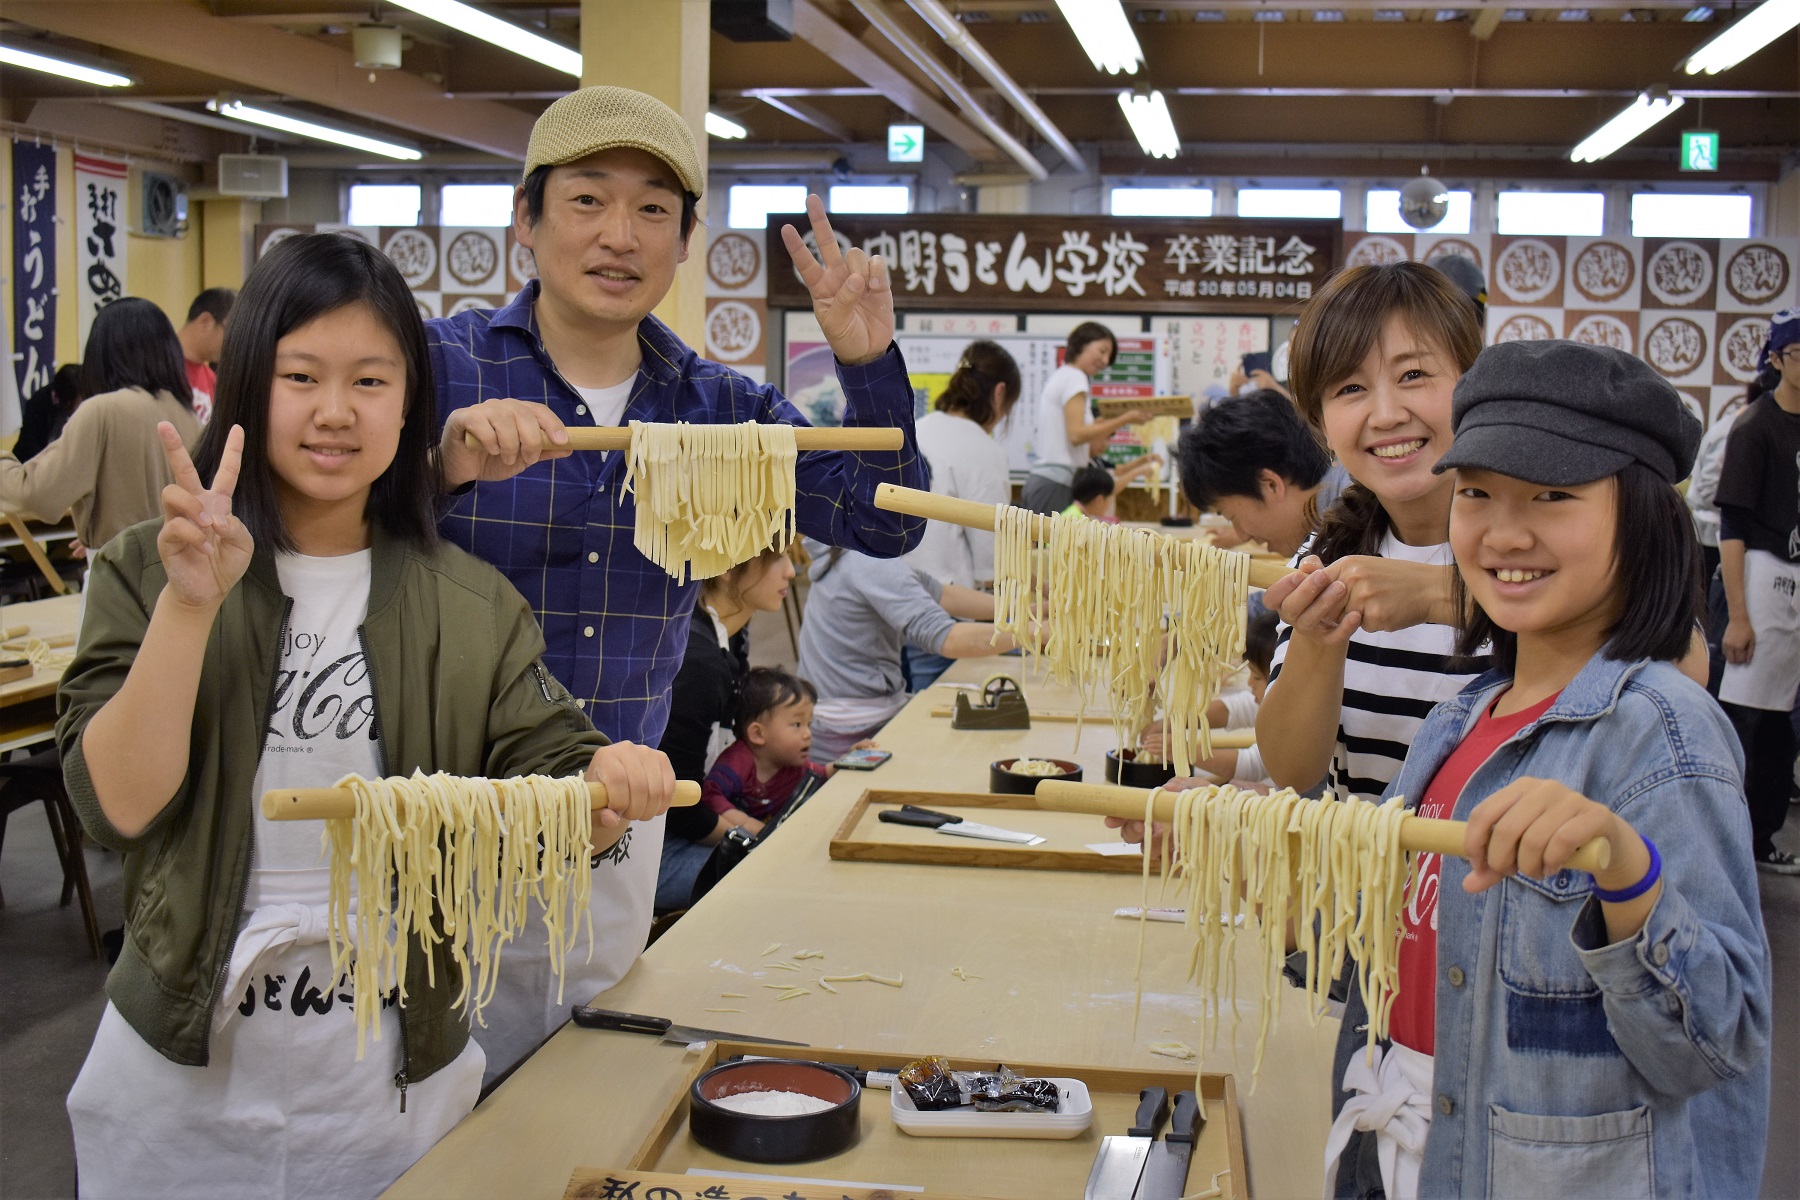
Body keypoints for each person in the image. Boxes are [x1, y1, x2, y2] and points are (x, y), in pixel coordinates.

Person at [54, 233, 676, 1199]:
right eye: (302, 375)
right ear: (251, 385)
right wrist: (189, 605)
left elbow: (557, 770)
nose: (335, 412)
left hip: (389, 1081)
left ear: (410, 407)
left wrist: (601, 794)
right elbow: (118, 808)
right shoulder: (146, 567)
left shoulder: (465, 601)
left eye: (372, 382)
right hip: (180, 1082)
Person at [425, 86, 927, 1085]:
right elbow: (322, 517)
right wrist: (437, 462)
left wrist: (866, 360)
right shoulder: (441, 367)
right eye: (587, 201)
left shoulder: (720, 407)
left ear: (686, 239)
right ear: (526, 221)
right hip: (441, 805)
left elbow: (884, 517)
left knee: (571, 1080)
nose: (621, 235)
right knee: (414, 1086)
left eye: (654, 209)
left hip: (625, 809)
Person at [1322, 338, 1770, 1199]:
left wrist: (1626, 868)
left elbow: (1721, 1040)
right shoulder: (1457, 722)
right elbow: (1411, 949)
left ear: (1641, 515)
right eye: (1478, 493)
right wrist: (1243, 839)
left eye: (1554, 496)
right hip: (1399, 1150)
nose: (1504, 531)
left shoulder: (1661, 733)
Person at [1255, 262, 1491, 801]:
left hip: (1503, 882)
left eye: (1413, 375)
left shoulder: (1536, 526)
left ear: (1472, 384)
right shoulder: (1333, 550)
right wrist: (1317, 639)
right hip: (1365, 882)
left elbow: (1677, 659)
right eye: (1351, 387)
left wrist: (1437, 593)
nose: (1385, 415)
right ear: (1321, 424)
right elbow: (1292, 768)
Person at [0, 297, 201, 554]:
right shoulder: (187, 414)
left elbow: (37, 492)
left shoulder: (101, 411)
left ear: (101, 353)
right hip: (178, 570)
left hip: (119, 575)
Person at [656, 545, 796, 910]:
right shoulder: (698, 660)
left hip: (687, 825)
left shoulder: (729, 634)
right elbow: (681, 805)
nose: (791, 571)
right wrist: (755, 834)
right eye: (776, 558)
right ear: (727, 569)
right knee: (785, 877)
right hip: (657, 851)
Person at [797, 542, 1025, 760]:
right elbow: (946, 638)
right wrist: (1036, 632)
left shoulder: (854, 554)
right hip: (853, 731)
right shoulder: (869, 561)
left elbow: (940, 594)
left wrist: (1030, 611)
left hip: (838, 719)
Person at [1716, 308, 1800, 874]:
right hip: (1759, 582)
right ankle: (1723, 844)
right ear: (1775, 359)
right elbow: (1732, 528)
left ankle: (1762, 839)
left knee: (1780, 728)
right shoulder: (1755, 427)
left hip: (1796, 584)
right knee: (1739, 723)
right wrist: (1737, 618)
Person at [1177, 389, 1353, 558]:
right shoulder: (1329, 518)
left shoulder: (1356, 513)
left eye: (1232, 517)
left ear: (1271, 484)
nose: (1242, 536)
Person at [909, 340, 1020, 591]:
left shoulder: (918, 428)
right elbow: (991, 561)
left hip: (890, 591)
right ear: (1000, 392)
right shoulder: (986, 452)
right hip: (944, 604)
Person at [1020, 322, 1150, 514]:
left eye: (1108, 356)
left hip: (1048, 481)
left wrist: (1117, 417)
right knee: (1051, 545)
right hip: (1056, 482)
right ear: (1083, 343)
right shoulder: (1075, 378)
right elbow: (1077, 435)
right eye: (1102, 351)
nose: (1105, 361)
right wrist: (1125, 419)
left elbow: (1075, 432)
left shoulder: (1064, 375)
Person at [700, 668, 829, 836]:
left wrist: (853, 758)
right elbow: (709, 795)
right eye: (797, 725)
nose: (807, 734)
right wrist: (746, 823)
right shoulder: (738, 762)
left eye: (809, 724)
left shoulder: (790, 762)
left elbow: (825, 773)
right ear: (758, 733)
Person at [177, 287, 236, 423]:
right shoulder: (158, 370)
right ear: (205, 322)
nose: (233, 344)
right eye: (230, 333)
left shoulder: (212, 380)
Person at [15, 362, 83, 461]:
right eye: (79, 399)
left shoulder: (83, 402)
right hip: (32, 464)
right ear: (67, 401)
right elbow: (29, 443)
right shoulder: (38, 402)